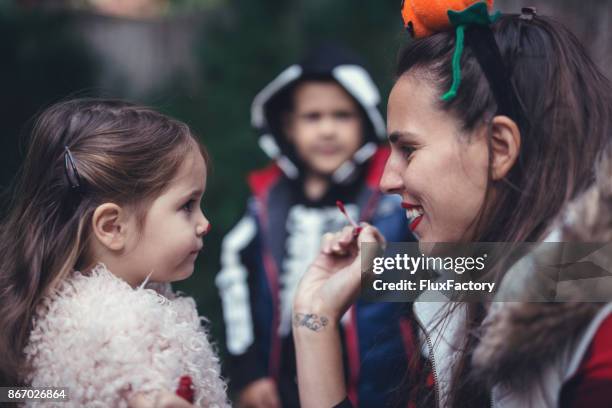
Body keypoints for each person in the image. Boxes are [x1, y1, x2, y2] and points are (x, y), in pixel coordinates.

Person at [292, 3, 612, 408]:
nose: (387, 180)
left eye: (408, 149)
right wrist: (314, 318)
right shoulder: (481, 286)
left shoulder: (599, 338)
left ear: (499, 148)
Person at [216, 45, 416, 408]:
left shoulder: (393, 193)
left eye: (341, 116)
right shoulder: (266, 201)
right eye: (313, 117)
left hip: (384, 385)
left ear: (366, 120)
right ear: (288, 126)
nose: (327, 129)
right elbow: (235, 284)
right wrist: (248, 371)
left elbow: (440, 275)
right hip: (284, 381)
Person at [0, 98, 229, 407]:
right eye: (187, 205)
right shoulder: (118, 335)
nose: (204, 223)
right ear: (112, 227)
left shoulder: (67, 312)